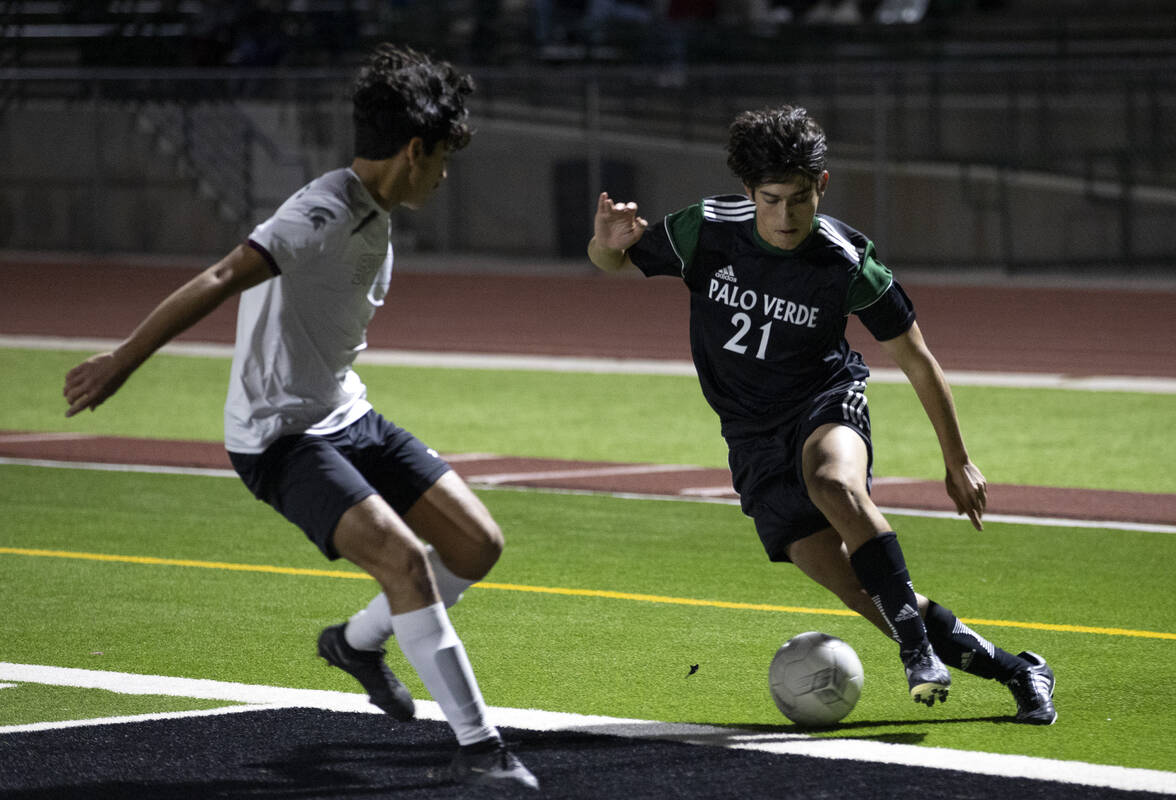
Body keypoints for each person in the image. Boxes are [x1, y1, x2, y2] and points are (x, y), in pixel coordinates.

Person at [62, 44, 540, 787]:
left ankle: (355, 644)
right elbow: (223, 274)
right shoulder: (319, 211)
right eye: (443, 157)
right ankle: (483, 754)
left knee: (477, 545)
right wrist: (122, 360)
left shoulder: (375, 209)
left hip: (346, 413)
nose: (446, 174)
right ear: (414, 151)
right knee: (407, 563)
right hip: (278, 437)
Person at [587, 105, 1057, 724]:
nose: (786, 217)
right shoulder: (705, 228)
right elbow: (613, 262)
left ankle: (917, 653)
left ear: (823, 185)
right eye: (772, 199)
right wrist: (604, 241)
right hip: (750, 440)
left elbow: (918, 360)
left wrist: (958, 461)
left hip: (825, 400)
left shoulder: (845, 260)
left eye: (801, 199)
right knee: (864, 592)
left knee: (832, 480)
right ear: (749, 192)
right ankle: (1020, 671)